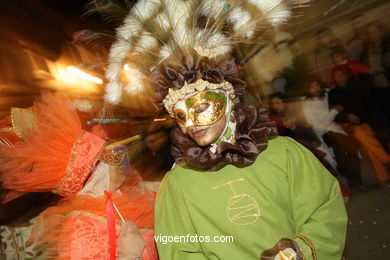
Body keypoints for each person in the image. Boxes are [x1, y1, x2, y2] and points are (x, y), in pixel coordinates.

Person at [102, 1, 348, 259]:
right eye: (181, 116)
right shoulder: (177, 187)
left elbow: (324, 209)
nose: (190, 125)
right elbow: (179, 250)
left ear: (228, 99)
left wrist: (301, 251)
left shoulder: (283, 154)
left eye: (200, 108)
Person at [0, 92, 158, 259]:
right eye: (106, 157)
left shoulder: (115, 200)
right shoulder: (82, 228)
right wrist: (130, 257)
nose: (118, 161)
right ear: (94, 177)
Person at [329, 67, 390, 183]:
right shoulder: (334, 94)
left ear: (347, 75)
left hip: (364, 123)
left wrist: (364, 118)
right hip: (347, 126)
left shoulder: (357, 88)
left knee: (368, 144)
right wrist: (347, 116)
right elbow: (334, 114)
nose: (338, 78)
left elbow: (369, 106)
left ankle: (384, 179)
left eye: (341, 75)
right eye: (336, 77)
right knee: (361, 133)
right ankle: (387, 160)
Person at [301, 75, 362, 183]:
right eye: (311, 87)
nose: (315, 89)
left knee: (351, 146)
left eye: (317, 85)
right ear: (307, 90)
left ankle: (354, 181)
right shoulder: (308, 106)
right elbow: (317, 127)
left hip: (334, 128)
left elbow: (334, 89)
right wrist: (333, 112)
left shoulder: (327, 95)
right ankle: (345, 174)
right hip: (322, 133)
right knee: (343, 145)